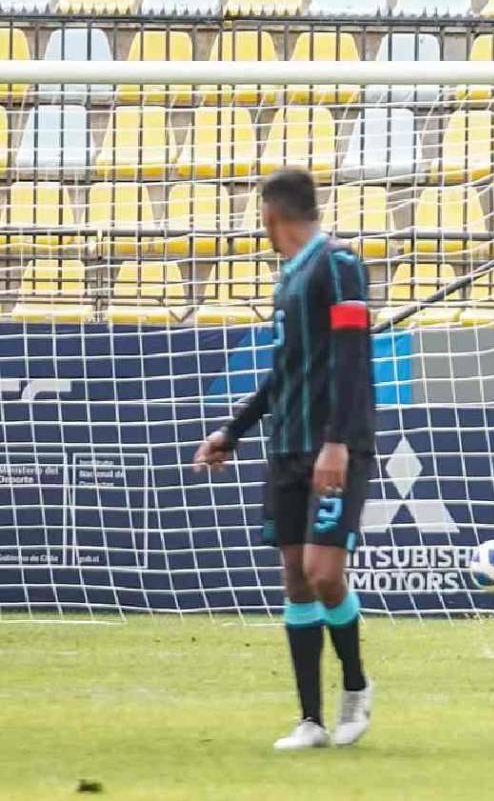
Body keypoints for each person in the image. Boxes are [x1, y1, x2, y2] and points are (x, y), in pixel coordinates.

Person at [192, 167, 377, 748]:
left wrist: (337, 441)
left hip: (333, 446)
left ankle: (356, 686)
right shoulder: (288, 278)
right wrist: (234, 431)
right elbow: (283, 373)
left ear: (271, 216)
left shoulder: (339, 264)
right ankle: (311, 721)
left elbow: (353, 359)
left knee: (326, 575)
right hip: (287, 447)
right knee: (296, 579)